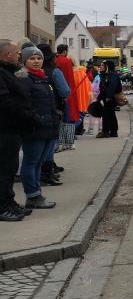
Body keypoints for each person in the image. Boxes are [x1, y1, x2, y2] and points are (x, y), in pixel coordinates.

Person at [17, 45, 60, 210]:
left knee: (39, 163)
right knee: (31, 162)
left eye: (39, 58)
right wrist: (38, 120)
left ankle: (37, 194)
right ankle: (32, 196)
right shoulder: (24, 79)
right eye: (32, 58)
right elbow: (24, 106)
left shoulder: (41, 77)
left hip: (47, 127)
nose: (36, 61)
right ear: (24, 61)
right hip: (34, 129)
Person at [0, 40, 36, 221]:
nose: (19, 56)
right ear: (7, 55)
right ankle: (2, 207)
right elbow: (5, 102)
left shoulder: (11, 71)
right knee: (4, 169)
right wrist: (24, 113)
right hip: (4, 129)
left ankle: (9, 202)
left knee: (11, 168)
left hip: (13, 128)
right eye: (17, 53)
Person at [36, 43, 68, 184]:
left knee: (40, 143)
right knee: (50, 142)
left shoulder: (30, 73)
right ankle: (46, 173)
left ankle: (44, 172)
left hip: (35, 111)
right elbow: (65, 91)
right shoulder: (54, 71)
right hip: (53, 109)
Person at [55, 44, 80, 149]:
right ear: (65, 51)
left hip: (56, 93)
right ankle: (69, 142)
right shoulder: (66, 61)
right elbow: (69, 79)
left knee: (60, 118)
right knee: (69, 117)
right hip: (67, 92)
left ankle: (59, 142)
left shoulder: (55, 61)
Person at [97, 59, 123, 138]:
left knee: (107, 114)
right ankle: (113, 131)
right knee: (110, 114)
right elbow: (103, 88)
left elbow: (112, 87)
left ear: (107, 66)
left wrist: (108, 96)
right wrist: (99, 98)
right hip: (107, 97)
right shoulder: (106, 74)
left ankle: (106, 131)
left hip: (110, 98)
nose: (100, 67)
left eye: (102, 65)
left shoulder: (112, 75)